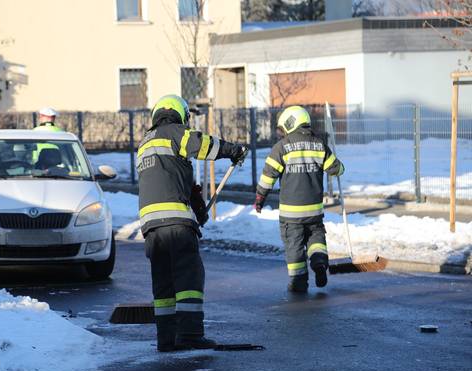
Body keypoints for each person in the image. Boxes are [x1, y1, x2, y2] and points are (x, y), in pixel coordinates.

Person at [138, 94, 247, 352]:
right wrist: (234, 150)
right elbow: (202, 144)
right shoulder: (174, 133)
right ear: (181, 115)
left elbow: (176, 180)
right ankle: (189, 334)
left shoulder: (144, 143)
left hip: (152, 228)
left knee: (163, 283)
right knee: (189, 277)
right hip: (176, 224)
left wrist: (198, 209)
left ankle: (166, 338)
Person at [254, 106, 344, 293]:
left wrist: (260, 197)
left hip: (291, 214)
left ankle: (299, 281)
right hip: (314, 211)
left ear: (290, 123)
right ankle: (319, 262)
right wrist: (338, 164)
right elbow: (337, 170)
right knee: (316, 238)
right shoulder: (319, 145)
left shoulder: (281, 147)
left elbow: (268, 176)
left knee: (294, 245)